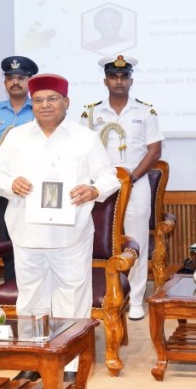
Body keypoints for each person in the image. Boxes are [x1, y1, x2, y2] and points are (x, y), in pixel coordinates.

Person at [0, 73, 119, 381]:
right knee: (31, 298)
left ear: (66, 103)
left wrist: (94, 191)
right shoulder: (16, 137)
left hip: (69, 235)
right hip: (27, 233)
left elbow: (109, 177)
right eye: (38, 100)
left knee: (72, 298)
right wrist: (11, 183)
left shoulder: (85, 138)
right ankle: (33, 360)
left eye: (51, 99)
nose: (44, 105)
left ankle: (70, 363)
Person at [81, 55, 164, 321]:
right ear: (105, 80)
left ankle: (137, 298)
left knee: (136, 240)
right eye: (114, 76)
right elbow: (82, 150)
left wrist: (132, 178)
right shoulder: (91, 112)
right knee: (97, 239)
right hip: (100, 187)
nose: (119, 81)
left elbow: (154, 150)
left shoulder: (145, 111)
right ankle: (102, 291)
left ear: (131, 80)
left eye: (124, 76)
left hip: (135, 183)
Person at [0, 55, 38, 282]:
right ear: (4, 82)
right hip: (4, 187)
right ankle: (12, 285)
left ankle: (34, 281)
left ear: (29, 81)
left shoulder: (39, 109)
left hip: (33, 186)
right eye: (10, 77)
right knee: (8, 235)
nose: (15, 82)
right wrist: (3, 175)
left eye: (21, 77)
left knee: (34, 235)